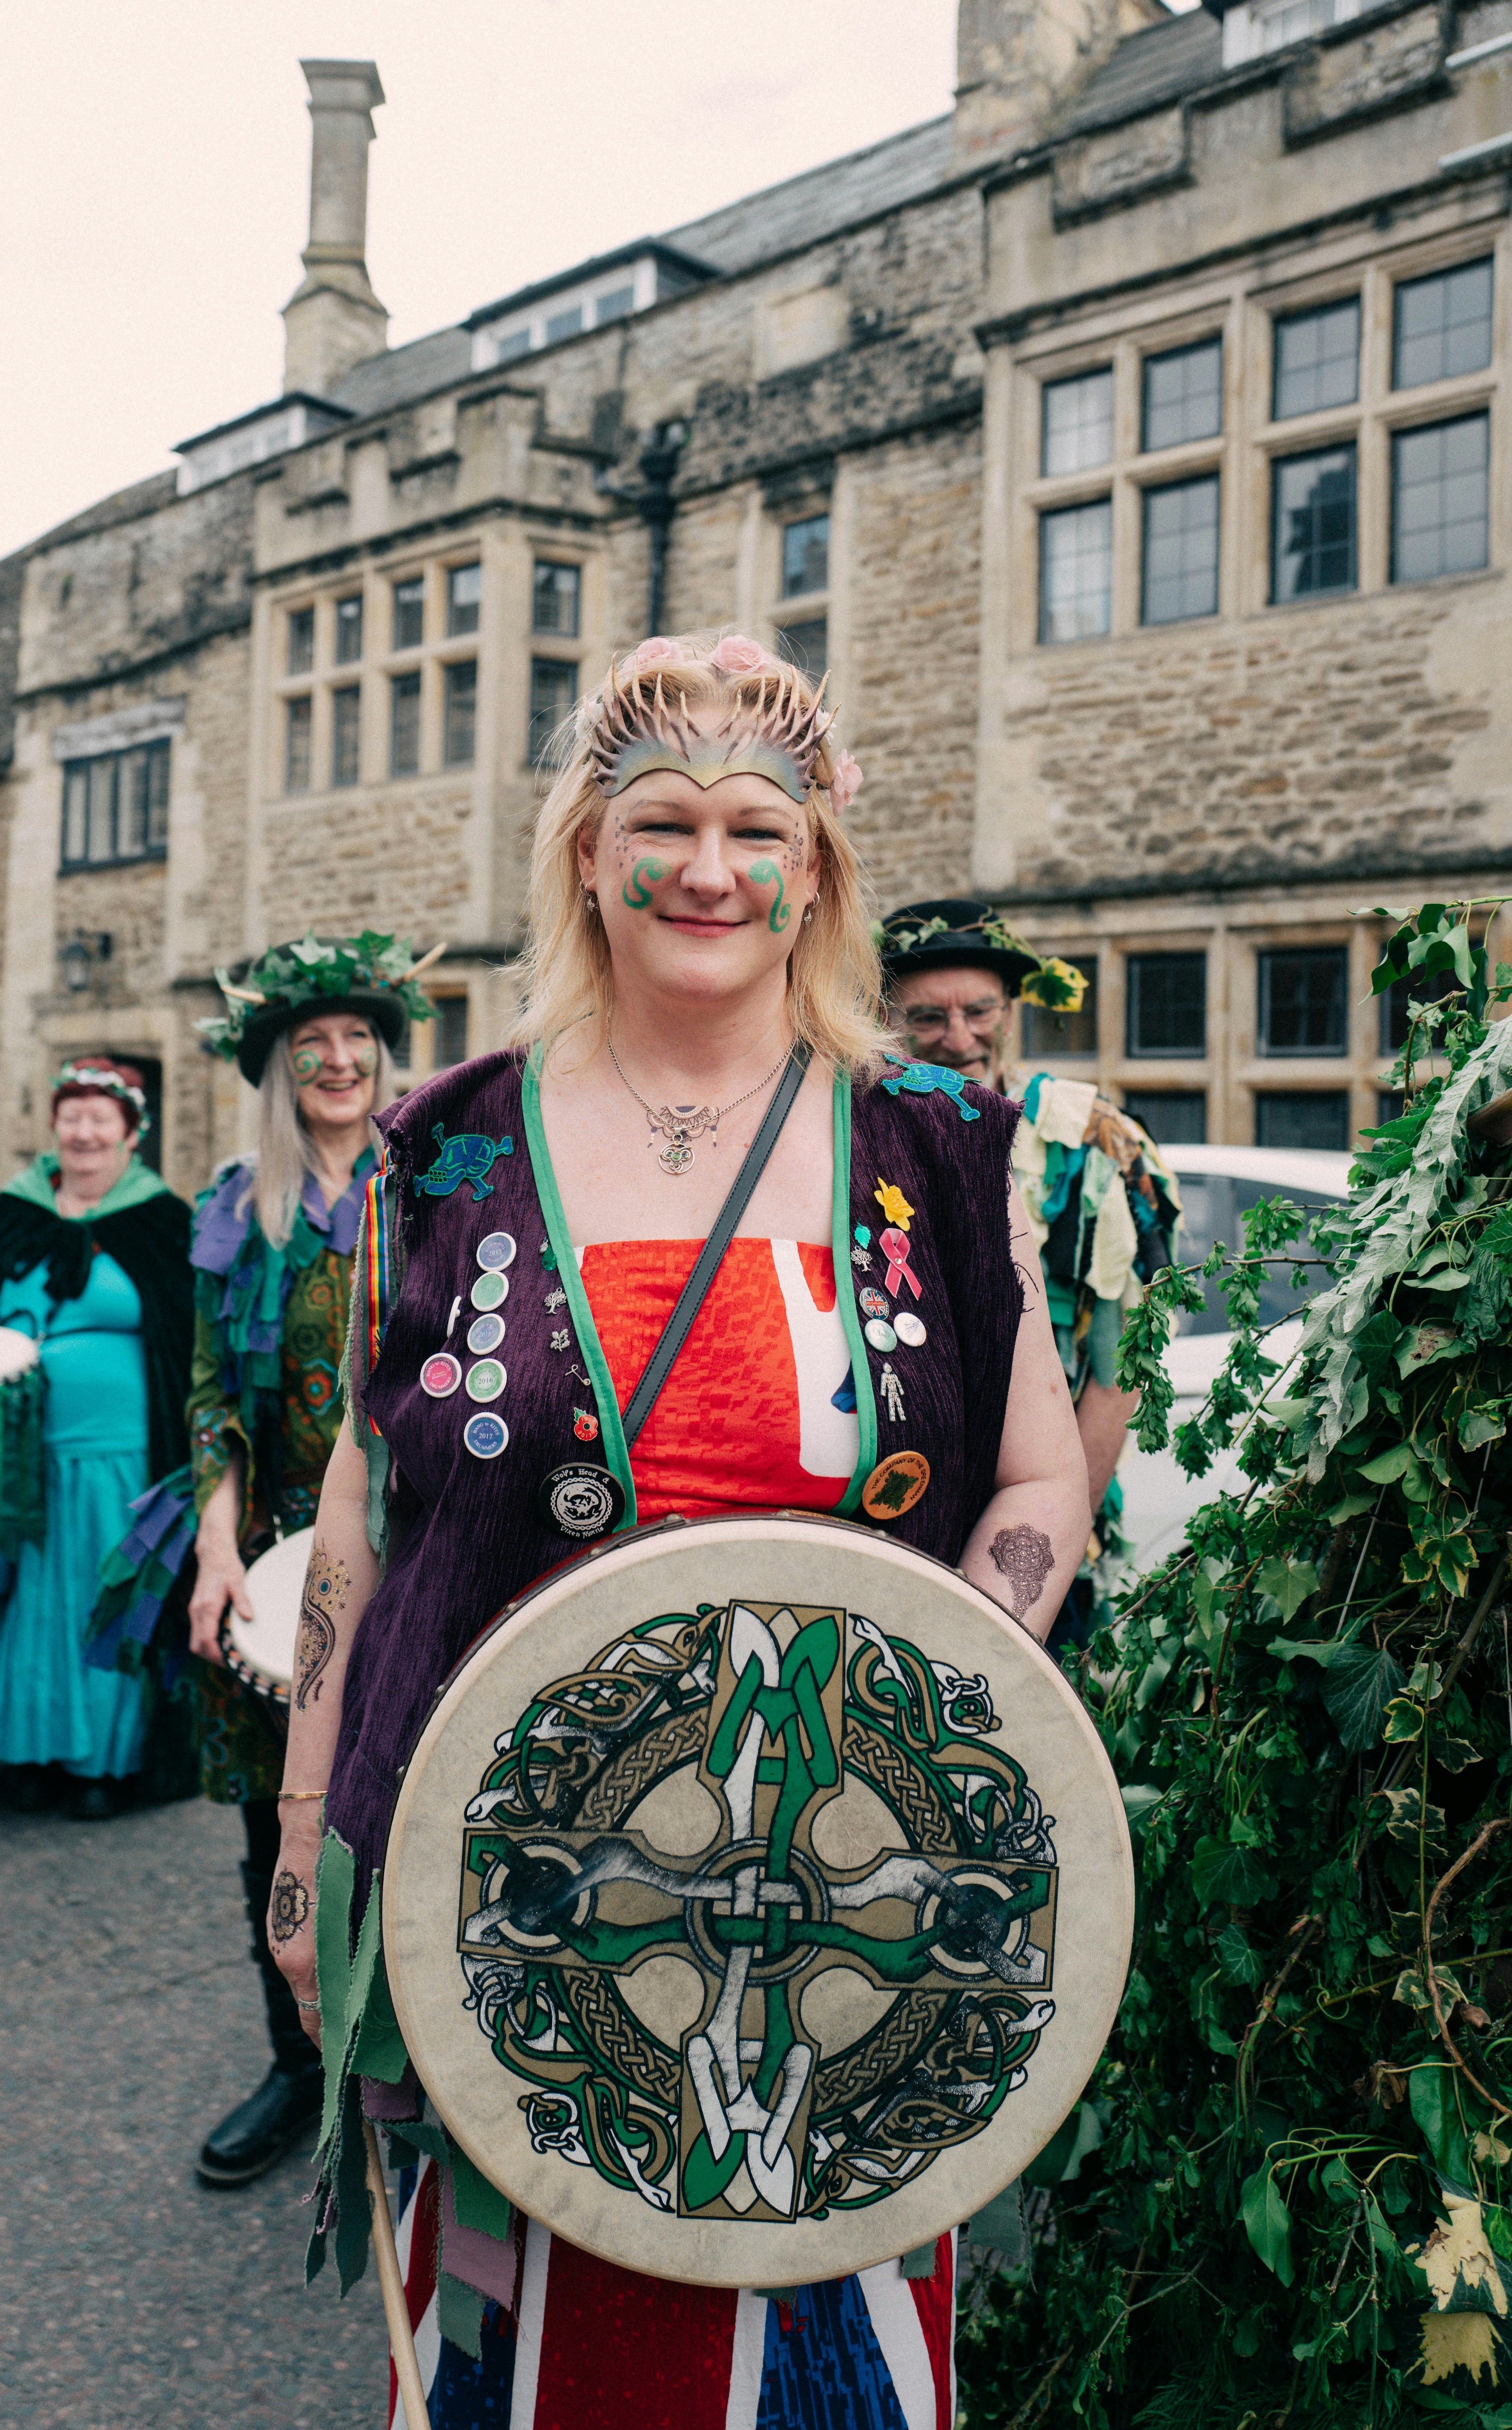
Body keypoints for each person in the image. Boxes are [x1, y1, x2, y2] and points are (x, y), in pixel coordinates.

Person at [267, 636, 1089, 2424]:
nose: (710, 870)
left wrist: (937, 1722)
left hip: (840, 1910)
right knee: (523, 2361)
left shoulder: (939, 1141)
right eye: (663, 823)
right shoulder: (443, 1146)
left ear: (815, 869)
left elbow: (1040, 1482)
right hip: (512, 1895)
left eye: (755, 830)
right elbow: (358, 1498)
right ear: (587, 853)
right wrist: (303, 1826)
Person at [89, 934, 432, 2189]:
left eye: (358, 1041)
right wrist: (217, 1555)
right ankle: (299, 2066)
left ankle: (414, 2062)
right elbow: (209, 1398)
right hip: (275, 1561)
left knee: (412, 1811)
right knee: (271, 1828)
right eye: (311, 1046)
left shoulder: (437, 1187)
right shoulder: (238, 1209)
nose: (338, 1061)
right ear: (280, 1072)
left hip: (414, 1547)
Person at [0, 1059, 195, 1816]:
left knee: (103, 1604)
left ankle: (102, 1765)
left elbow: (191, 1342)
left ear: (132, 1133)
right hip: (15, 1456)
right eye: (72, 1116)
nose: (84, 1132)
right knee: (16, 1602)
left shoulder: (161, 1222)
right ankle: (22, 1753)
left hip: (120, 1459)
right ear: (55, 1125)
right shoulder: (13, 1213)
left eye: (101, 1118)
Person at [877, 902, 1179, 1599]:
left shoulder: (1091, 1139)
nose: (959, 1038)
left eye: (980, 1011)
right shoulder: (853, 1135)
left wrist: (1056, 1538)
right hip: (894, 1535)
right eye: (928, 1017)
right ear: (885, 1017)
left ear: (1010, 1011)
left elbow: (1122, 1362)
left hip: (1040, 1532)